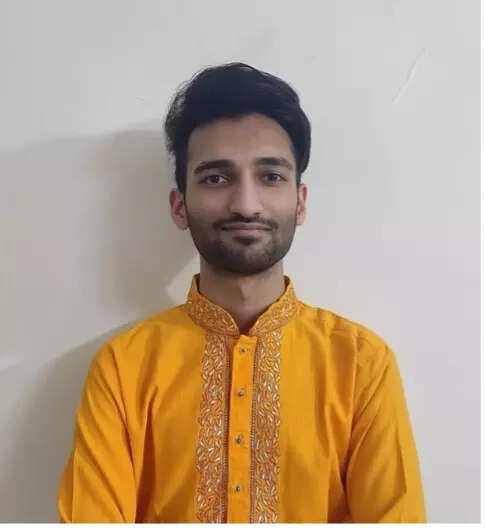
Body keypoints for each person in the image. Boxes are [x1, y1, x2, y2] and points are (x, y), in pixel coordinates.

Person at [57, 62, 426, 523]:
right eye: (216, 178)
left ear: (300, 202)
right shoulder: (123, 368)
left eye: (271, 176)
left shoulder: (360, 365)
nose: (246, 204)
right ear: (179, 206)